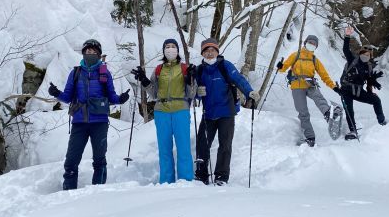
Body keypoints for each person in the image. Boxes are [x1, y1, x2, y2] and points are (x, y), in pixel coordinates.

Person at [49, 39, 129, 190]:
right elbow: (67, 97)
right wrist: (56, 93)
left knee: (99, 159)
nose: (90, 53)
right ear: (83, 53)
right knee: (71, 160)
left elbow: (112, 97)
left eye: (93, 51)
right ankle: (68, 193)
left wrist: (120, 99)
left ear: (98, 54)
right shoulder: (76, 72)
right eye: (87, 51)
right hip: (79, 122)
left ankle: (97, 193)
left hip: (100, 122)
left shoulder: (104, 73)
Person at [194, 37, 259, 186]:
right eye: (206, 51)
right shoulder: (199, 70)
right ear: (202, 53)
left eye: (213, 50)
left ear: (217, 52)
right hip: (208, 114)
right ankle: (201, 175)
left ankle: (221, 177)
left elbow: (239, 79)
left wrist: (249, 92)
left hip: (227, 112)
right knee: (202, 144)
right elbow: (193, 92)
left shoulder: (225, 65)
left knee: (225, 145)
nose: (210, 53)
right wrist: (198, 93)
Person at [131, 39, 197, 183]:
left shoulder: (185, 68)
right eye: (167, 47)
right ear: (163, 50)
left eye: (173, 46)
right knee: (164, 149)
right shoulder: (159, 69)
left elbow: (191, 93)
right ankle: (166, 181)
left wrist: (191, 78)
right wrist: (143, 80)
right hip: (161, 111)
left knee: (184, 147)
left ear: (177, 50)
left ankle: (186, 180)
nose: (170, 49)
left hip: (181, 110)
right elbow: (154, 93)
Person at [276, 34, 339, 147]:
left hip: (310, 84)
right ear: (305, 43)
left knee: (319, 98)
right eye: (310, 42)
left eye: (314, 44)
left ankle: (328, 113)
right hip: (297, 86)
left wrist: (333, 86)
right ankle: (310, 138)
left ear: (316, 47)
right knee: (303, 113)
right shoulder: (295, 55)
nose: (312, 45)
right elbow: (283, 68)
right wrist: (280, 66)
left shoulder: (314, 59)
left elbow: (324, 75)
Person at [334, 26, 386, 139]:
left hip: (359, 92)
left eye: (368, 55)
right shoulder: (352, 60)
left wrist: (371, 92)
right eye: (364, 53)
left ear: (370, 57)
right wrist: (347, 35)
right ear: (360, 53)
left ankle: (382, 122)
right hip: (346, 91)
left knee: (376, 100)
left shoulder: (369, 67)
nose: (365, 56)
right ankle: (353, 131)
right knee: (349, 111)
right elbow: (346, 50)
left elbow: (368, 81)